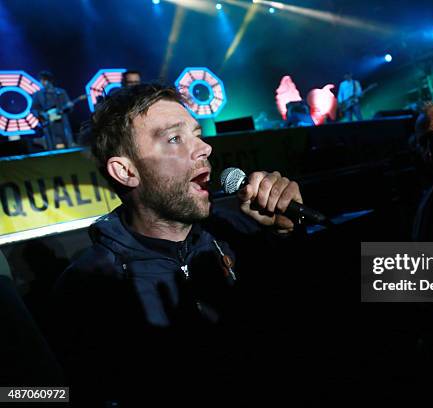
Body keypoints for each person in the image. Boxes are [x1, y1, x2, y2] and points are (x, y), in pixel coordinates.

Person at [50, 83, 305, 405]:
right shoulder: (89, 284)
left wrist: (288, 236)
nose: (204, 148)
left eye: (197, 134)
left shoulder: (244, 230)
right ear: (126, 171)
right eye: (174, 138)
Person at [31, 71, 76, 150]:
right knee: (52, 145)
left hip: (62, 122)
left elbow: (69, 108)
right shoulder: (38, 94)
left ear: (50, 81)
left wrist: (69, 106)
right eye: (41, 80)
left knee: (67, 143)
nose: (42, 82)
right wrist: (41, 114)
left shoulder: (61, 92)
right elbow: (33, 109)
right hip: (48, 124)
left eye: (44, 80)